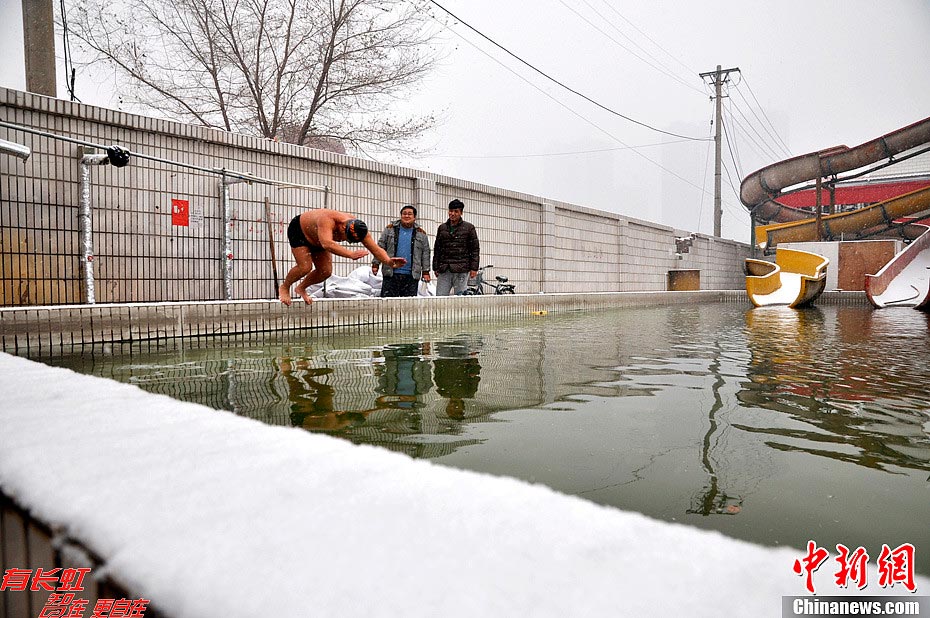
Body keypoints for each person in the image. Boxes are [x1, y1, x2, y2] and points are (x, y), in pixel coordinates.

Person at [279, 208, 406, 306]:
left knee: (325, 272)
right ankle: (285, 287)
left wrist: (389, 261)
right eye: (342, 236)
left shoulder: (361, 230)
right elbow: (327, 243)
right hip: (300, 231)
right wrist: (350, 254)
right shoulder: (327, 219)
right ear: (343, 226)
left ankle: (301, 288)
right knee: (305, 267)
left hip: (318, 239)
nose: (341, 239)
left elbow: (376, 249)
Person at [371, 205, 431, 297]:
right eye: (404, 214)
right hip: (391, 273)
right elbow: (381, 247)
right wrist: (376, 264)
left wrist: (426, 272)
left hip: (411, 275)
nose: (406, 216)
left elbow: (425, 253)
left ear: (414, 217)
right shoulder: (390, 230)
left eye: (409, 214)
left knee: (408, 306)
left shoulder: (421, 234)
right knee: (388, 304)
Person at [432, 198, 479, 296]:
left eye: (456, 211)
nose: (452, 214)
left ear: (461, 213)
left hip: (461, 268)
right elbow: (437, 248)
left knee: (460, 298)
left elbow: (474, 249)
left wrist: (474, 268)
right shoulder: (442, 228)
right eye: (450, 211)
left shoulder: (469, 228)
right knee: (440, 298)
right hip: (444, 268)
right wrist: (435, 267)